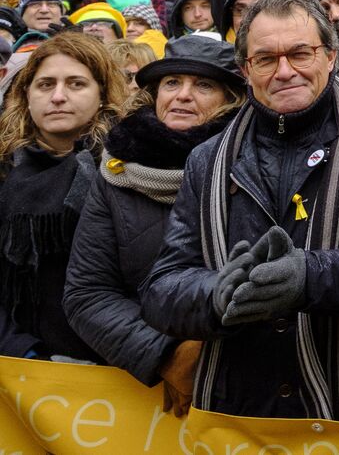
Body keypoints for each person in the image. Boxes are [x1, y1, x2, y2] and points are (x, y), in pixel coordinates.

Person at [141, 0, 339, 419]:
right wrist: (215, 293)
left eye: (300, 54)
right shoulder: (208, 159)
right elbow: (160, 289)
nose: (284, 71)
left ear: (330, 56)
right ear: (246, 70)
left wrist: (309, 276)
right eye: (266, 59)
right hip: (241, 409)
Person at [65, 36, 245, 416]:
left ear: (231, 99)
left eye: (204, 85)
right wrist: (165, 355)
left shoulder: (252, 166)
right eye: (171, 83)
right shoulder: (115, 173)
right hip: (142, 395)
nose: (182, 95)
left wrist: (205, 351)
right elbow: (87, 293)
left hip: (243, 381)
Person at [0, 32, 126, 360]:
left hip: (118, 367)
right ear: (26, 95)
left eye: (75, 84)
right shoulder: (3, 172)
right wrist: (25, 351)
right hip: (20, 372)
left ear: (101, 93)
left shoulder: (131, 171)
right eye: (45, 85)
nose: (58, 97)